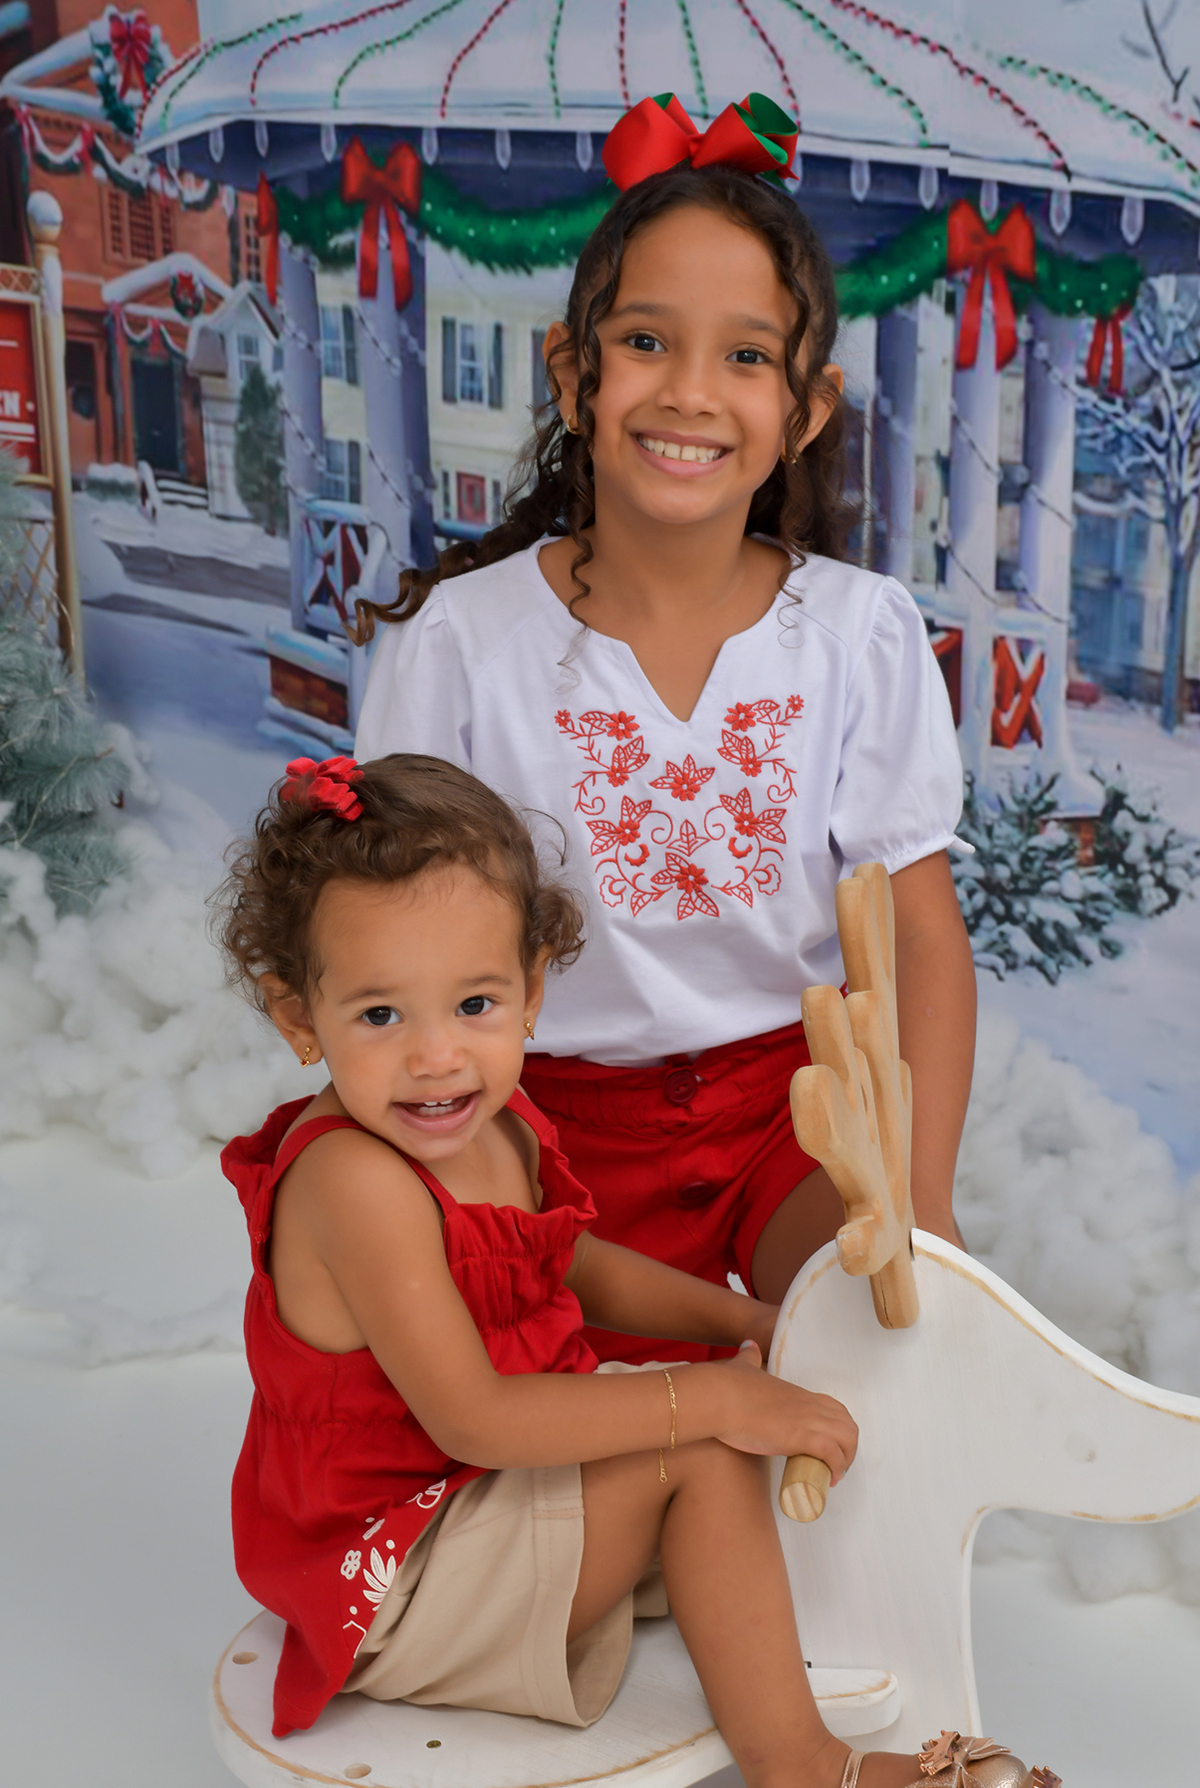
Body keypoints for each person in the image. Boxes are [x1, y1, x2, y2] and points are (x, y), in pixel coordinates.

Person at [215, 751, 1048, 1788]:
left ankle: (796, 1634)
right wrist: (709, 1396)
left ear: (530, 990)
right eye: (381, 1015)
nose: (436, 1057)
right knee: (704, 1447)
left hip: (485, 1490)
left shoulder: (493, 1120)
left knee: (738, 1423)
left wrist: (751, 1325)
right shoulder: (355, 1182)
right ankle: (803, 1765)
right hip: (402, 1568)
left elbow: (576, 1266)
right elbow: (474, 1419)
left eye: (474, 1004)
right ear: (299, 1017)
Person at [353, 95, 975, 1365]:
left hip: (791, 1110)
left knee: (867, 1350)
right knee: (616, 1432)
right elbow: (395, 938)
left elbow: (919, 931)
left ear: (807, 409)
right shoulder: (462, 643)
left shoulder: (859, 632)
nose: (690, 392)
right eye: (645, 340)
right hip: (538, 1120)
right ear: (573, 374)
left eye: (746, 356)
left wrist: (919, 1200)